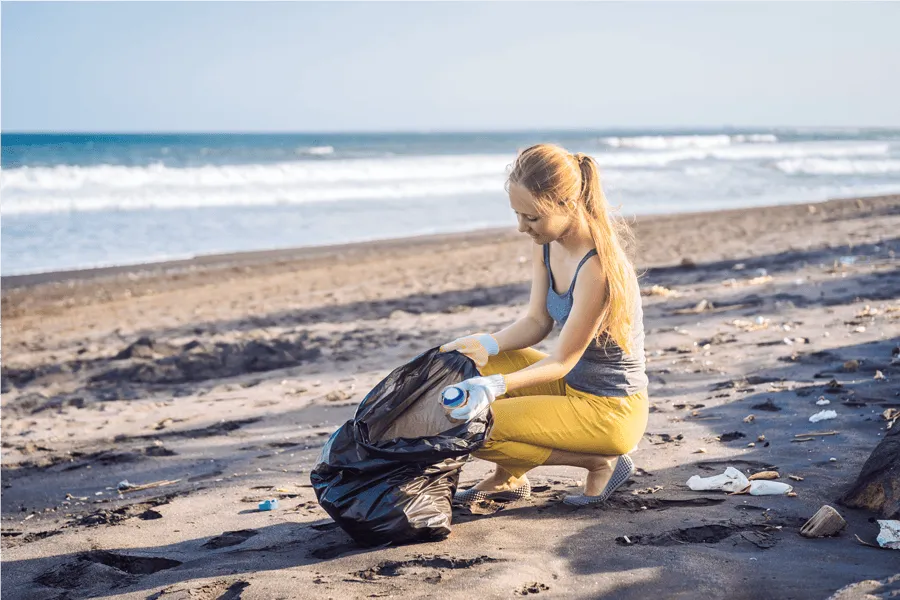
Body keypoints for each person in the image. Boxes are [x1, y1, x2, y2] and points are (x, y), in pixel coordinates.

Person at [439, 143, 649, 506]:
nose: (522, 227)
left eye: (531, 217)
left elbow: (562, 361)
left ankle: (599, 463)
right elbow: (537, 321)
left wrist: (495, 387)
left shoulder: (597, 269)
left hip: (610, 410)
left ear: (566, 204)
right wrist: (485, 344)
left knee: (475, 425)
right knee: (470, 367)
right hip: (570, 388)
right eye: (517, 215)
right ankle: (508, 478)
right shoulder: (548, 243)